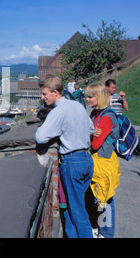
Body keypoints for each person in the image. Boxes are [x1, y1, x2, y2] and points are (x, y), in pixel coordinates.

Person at [35, 76, 95, 238]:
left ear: (55, 92)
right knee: (70, 208)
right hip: (87, 160)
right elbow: (91, 129)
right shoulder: (77, 105)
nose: (42, 97)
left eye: (45, 94)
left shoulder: (58, 111)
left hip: (72, 162)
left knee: (77, 212)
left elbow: (40, 137)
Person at [85, 82, 121, 238]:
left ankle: (106, 233)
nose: (87, 99)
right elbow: (90, 136)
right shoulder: (94, 114)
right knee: (95, 197)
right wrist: (92, 133)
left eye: (90, 97)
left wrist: (90, 134)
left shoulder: (107, 116)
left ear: (99, 97)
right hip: (96, 161)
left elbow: (94, 144)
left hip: (104, 162)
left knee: (104, 200)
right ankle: (97, 228)